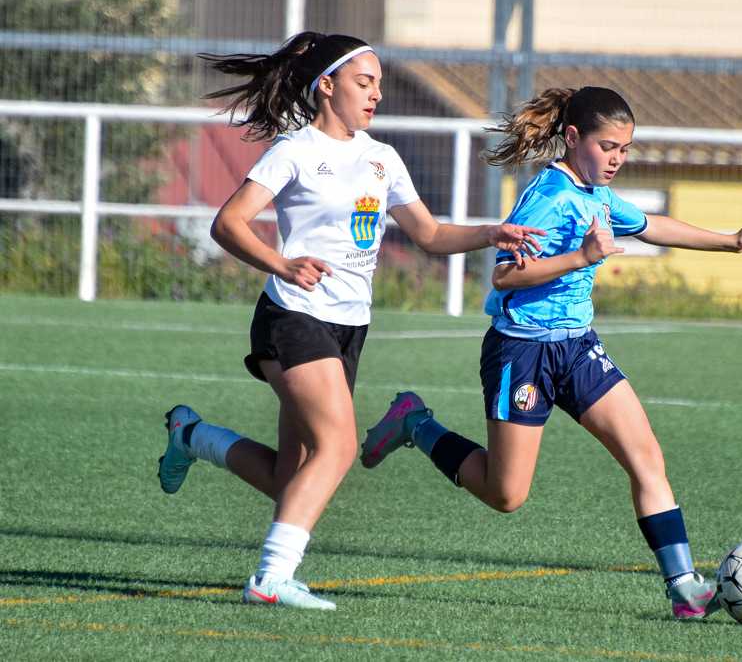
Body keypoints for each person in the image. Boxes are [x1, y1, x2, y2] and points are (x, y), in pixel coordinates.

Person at [359, 86, 742, 620]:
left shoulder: (598, 194)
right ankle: (416, 423)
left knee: (646, 458)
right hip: (522, 351)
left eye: (624, 149)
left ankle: (684, 588)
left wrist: (732, 241)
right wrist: (582, 256)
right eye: (607, 147)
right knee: (506, 494)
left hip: (579, 348)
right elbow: (504, 275)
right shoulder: (550, 196)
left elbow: (651, 225)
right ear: (572, 137)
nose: (617, 159)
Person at [157, 32, 544, 610]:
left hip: (348, 328)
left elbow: (429, 234)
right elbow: (228, 223)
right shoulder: (294, 150)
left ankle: (192, 437)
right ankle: (269, 579)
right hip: (293, 316)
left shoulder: (382, 158)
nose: (376, 94)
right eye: (364, 83)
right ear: (326, 86)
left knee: (291, 481)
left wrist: (491, 233)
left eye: (378, 85)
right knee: (336, 447)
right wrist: (282, 264)